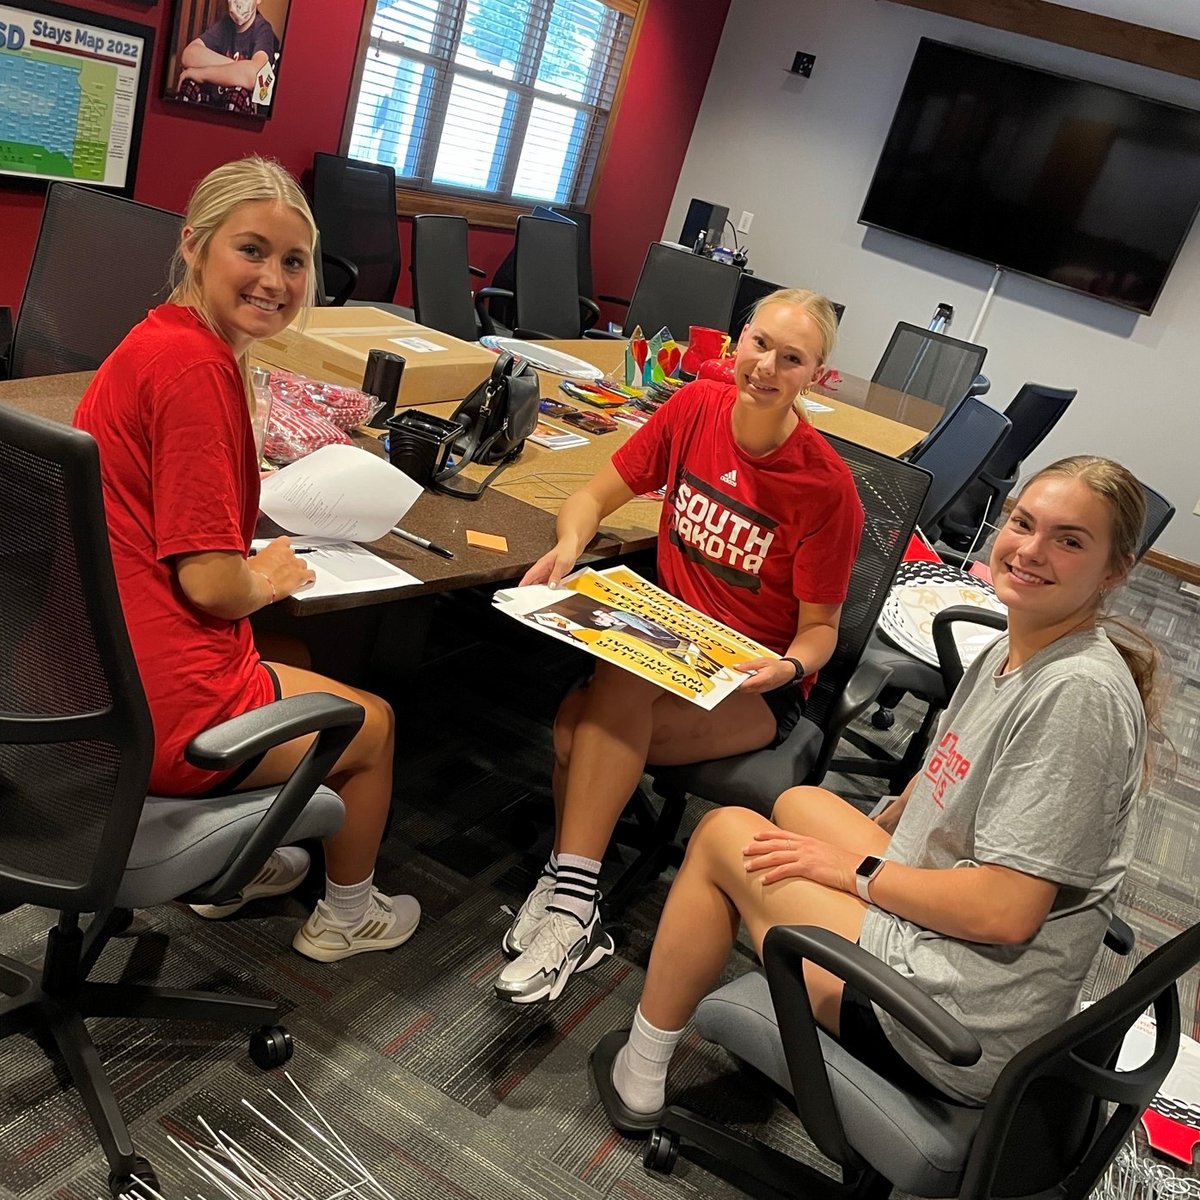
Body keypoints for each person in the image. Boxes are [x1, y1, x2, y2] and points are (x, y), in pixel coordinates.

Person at [590, 455, 1155, 1124]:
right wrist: (878, 830)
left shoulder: (1078, 696)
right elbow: (946, 767)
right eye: (1023, 524)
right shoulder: (1020, 644)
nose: (1031, 550)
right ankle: (770, 945)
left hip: (954, 1021)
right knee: (797, 806)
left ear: (1113, 570)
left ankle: (641, 1075)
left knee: (721, 839)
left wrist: (851, 873)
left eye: (1069, 540)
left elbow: (1005, 912)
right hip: (948, 945)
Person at [73, 156, 419, 964]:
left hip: (90, 670)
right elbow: (211, 584)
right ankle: (348, 914)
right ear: (194, 246)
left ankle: (236, 867)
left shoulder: (158, 338)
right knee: (375, 724)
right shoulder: (197, 371)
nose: (274, 278)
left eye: (293, 261)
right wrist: (267, 574)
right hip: (161, 709)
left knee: (291, 651)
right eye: (252, 250)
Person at [495, 289, 865, 1005]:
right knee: (598, 705)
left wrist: (785, 666)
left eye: (792, 359)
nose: (766, 367)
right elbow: (591, 496)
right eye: (759, 344)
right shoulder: (695, 406)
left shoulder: (826, 489)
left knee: (585, 720)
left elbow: (820, 632)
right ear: (737, 342)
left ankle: (567, 896)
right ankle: (579, 900)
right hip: (664, 644)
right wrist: (571, 546)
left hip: (751, 687)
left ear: (815, 377)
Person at [177, 0, 279, 113]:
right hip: (216, 98)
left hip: (241, 105)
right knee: (189, 83)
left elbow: (256, 76)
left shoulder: (263, 30)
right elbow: (189, 55)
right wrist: (241, 70)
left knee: (238, 93)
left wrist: (201, 74)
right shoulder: (224, 24)